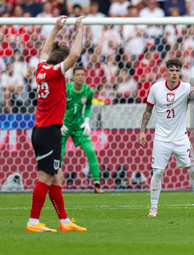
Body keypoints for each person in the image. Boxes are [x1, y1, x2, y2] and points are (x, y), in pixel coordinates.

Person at [27, 16, 87, 232]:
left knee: (57, 175)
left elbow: (44, 50)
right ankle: (33, 222)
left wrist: (56, 28)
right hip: (48, 131)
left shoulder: (41, 68)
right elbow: (75, 55)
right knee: (46, 176)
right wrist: (79, 28)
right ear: (61, 64)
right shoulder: (54, 73)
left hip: (43, 129)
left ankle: (64, 222)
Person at [138, 58, 194, 217]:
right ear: (166, 71)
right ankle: (153, 207)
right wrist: (142, 131)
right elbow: (148, 110)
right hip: (161, 138)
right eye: (171, 70)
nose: (174, 73)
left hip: (181, 138)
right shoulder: (156, 88)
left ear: (181, 72)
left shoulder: (186, 88)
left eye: (177, 70)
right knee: (157, 172)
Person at [60, 66, 104, 193]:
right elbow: (58, 105)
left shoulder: (88, 91)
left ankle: (97, 184)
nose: (80, 76)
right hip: (65, 125)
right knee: (59, 156)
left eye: (82, 74)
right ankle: (57, 186)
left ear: (85, 76)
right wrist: (59, 123)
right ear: (73, 77)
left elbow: (89, 106)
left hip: (79, 125)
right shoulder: (66, 89)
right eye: (77, 74)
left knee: (91, 151)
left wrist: (87, 121)